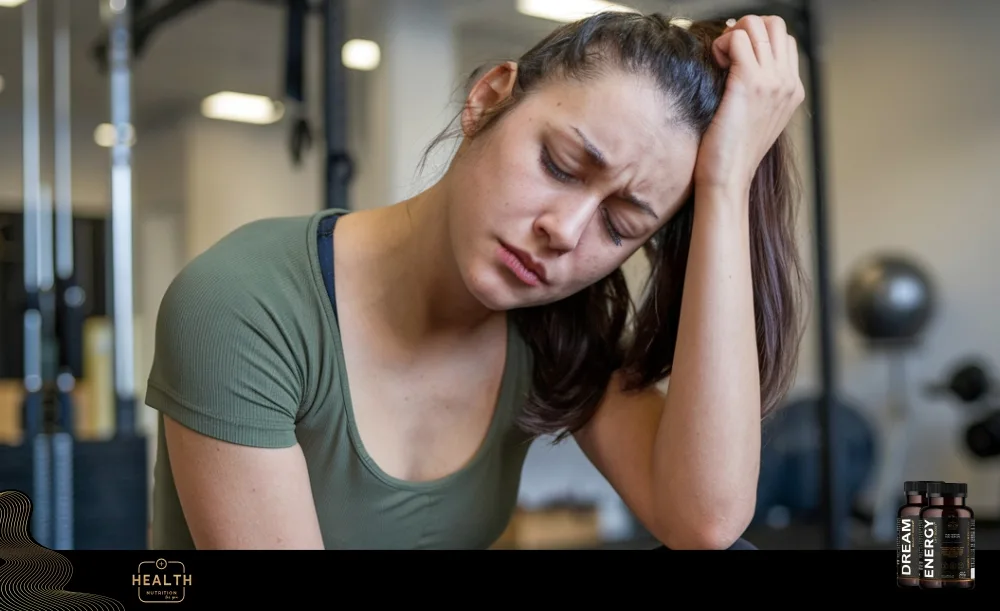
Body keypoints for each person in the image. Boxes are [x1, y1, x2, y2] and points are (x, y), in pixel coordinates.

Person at [145, 11, 807, 551]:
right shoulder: (242, 303)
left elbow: (704, 522)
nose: (566, 230)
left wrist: (726, 187)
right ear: (488, 97)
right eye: (560, 164)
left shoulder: (556, 329)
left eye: (620, 225)